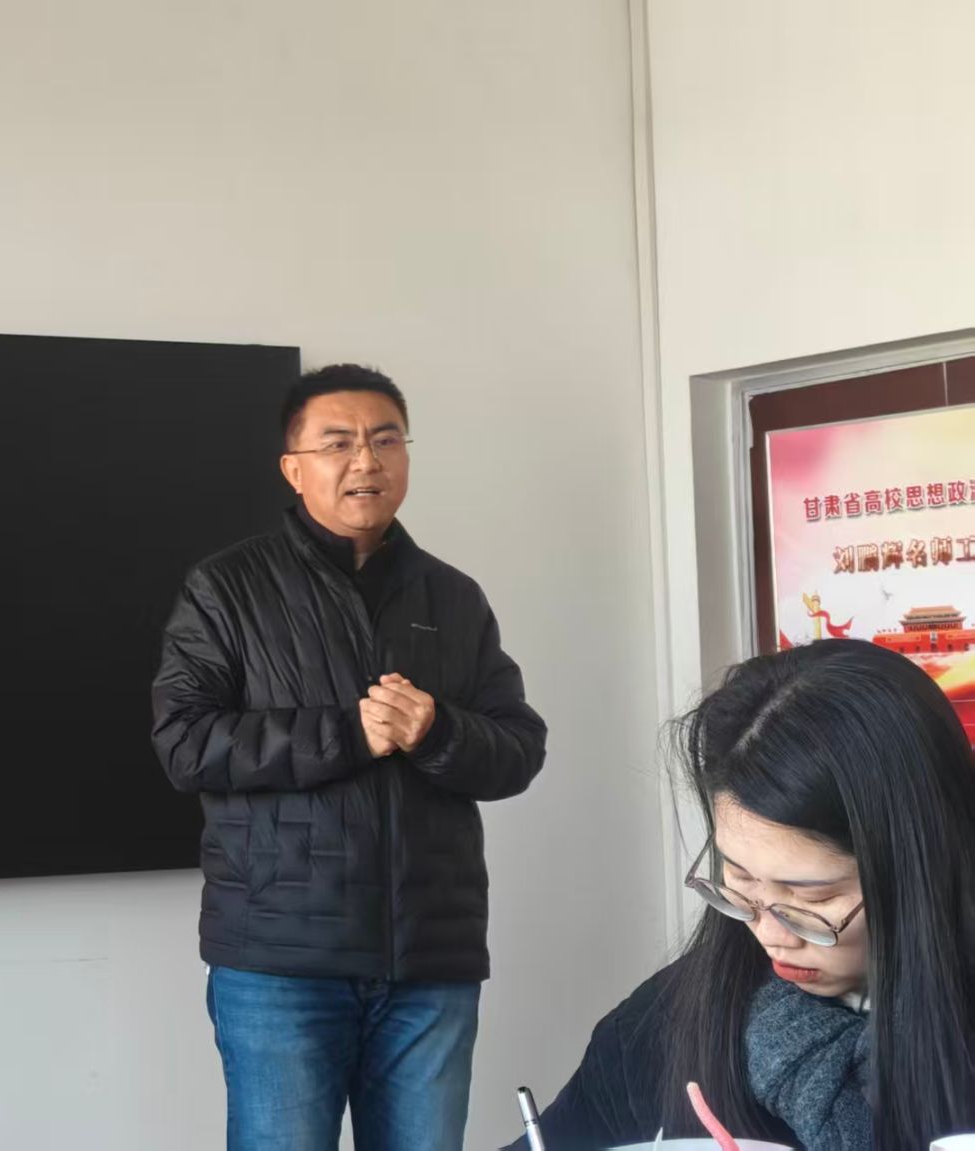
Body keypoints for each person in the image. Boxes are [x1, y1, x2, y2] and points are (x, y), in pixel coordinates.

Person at [151, 363, 548, 1150]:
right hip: (280, 962)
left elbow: (518, 750)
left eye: (386, 440)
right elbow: (185, 743)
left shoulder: (453, 596)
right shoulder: (227, 588)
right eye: (338, 443)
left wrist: (436, 732)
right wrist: (347, 734)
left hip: (431, 960)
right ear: (293, 467)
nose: (366, 460)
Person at [510, 639, 975, 1150]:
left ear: (925, 866)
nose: (771, 935)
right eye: (741, 880)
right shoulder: (668, 1020)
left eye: (813, 899)